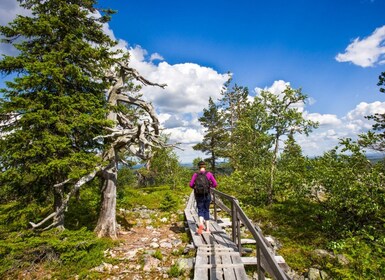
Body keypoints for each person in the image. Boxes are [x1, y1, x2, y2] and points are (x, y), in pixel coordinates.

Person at [189, 161, 217, 234]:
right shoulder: (209, 174)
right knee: (206, 210)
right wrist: (209, 187)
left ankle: (201, 224)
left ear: (199, 167)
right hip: (207, 194)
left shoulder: (195, 174)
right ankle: (207, 229)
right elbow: (215, 184)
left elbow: (191, 184)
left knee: (200, 209)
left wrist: (195, 188)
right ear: (205, 166)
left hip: (198, 195)